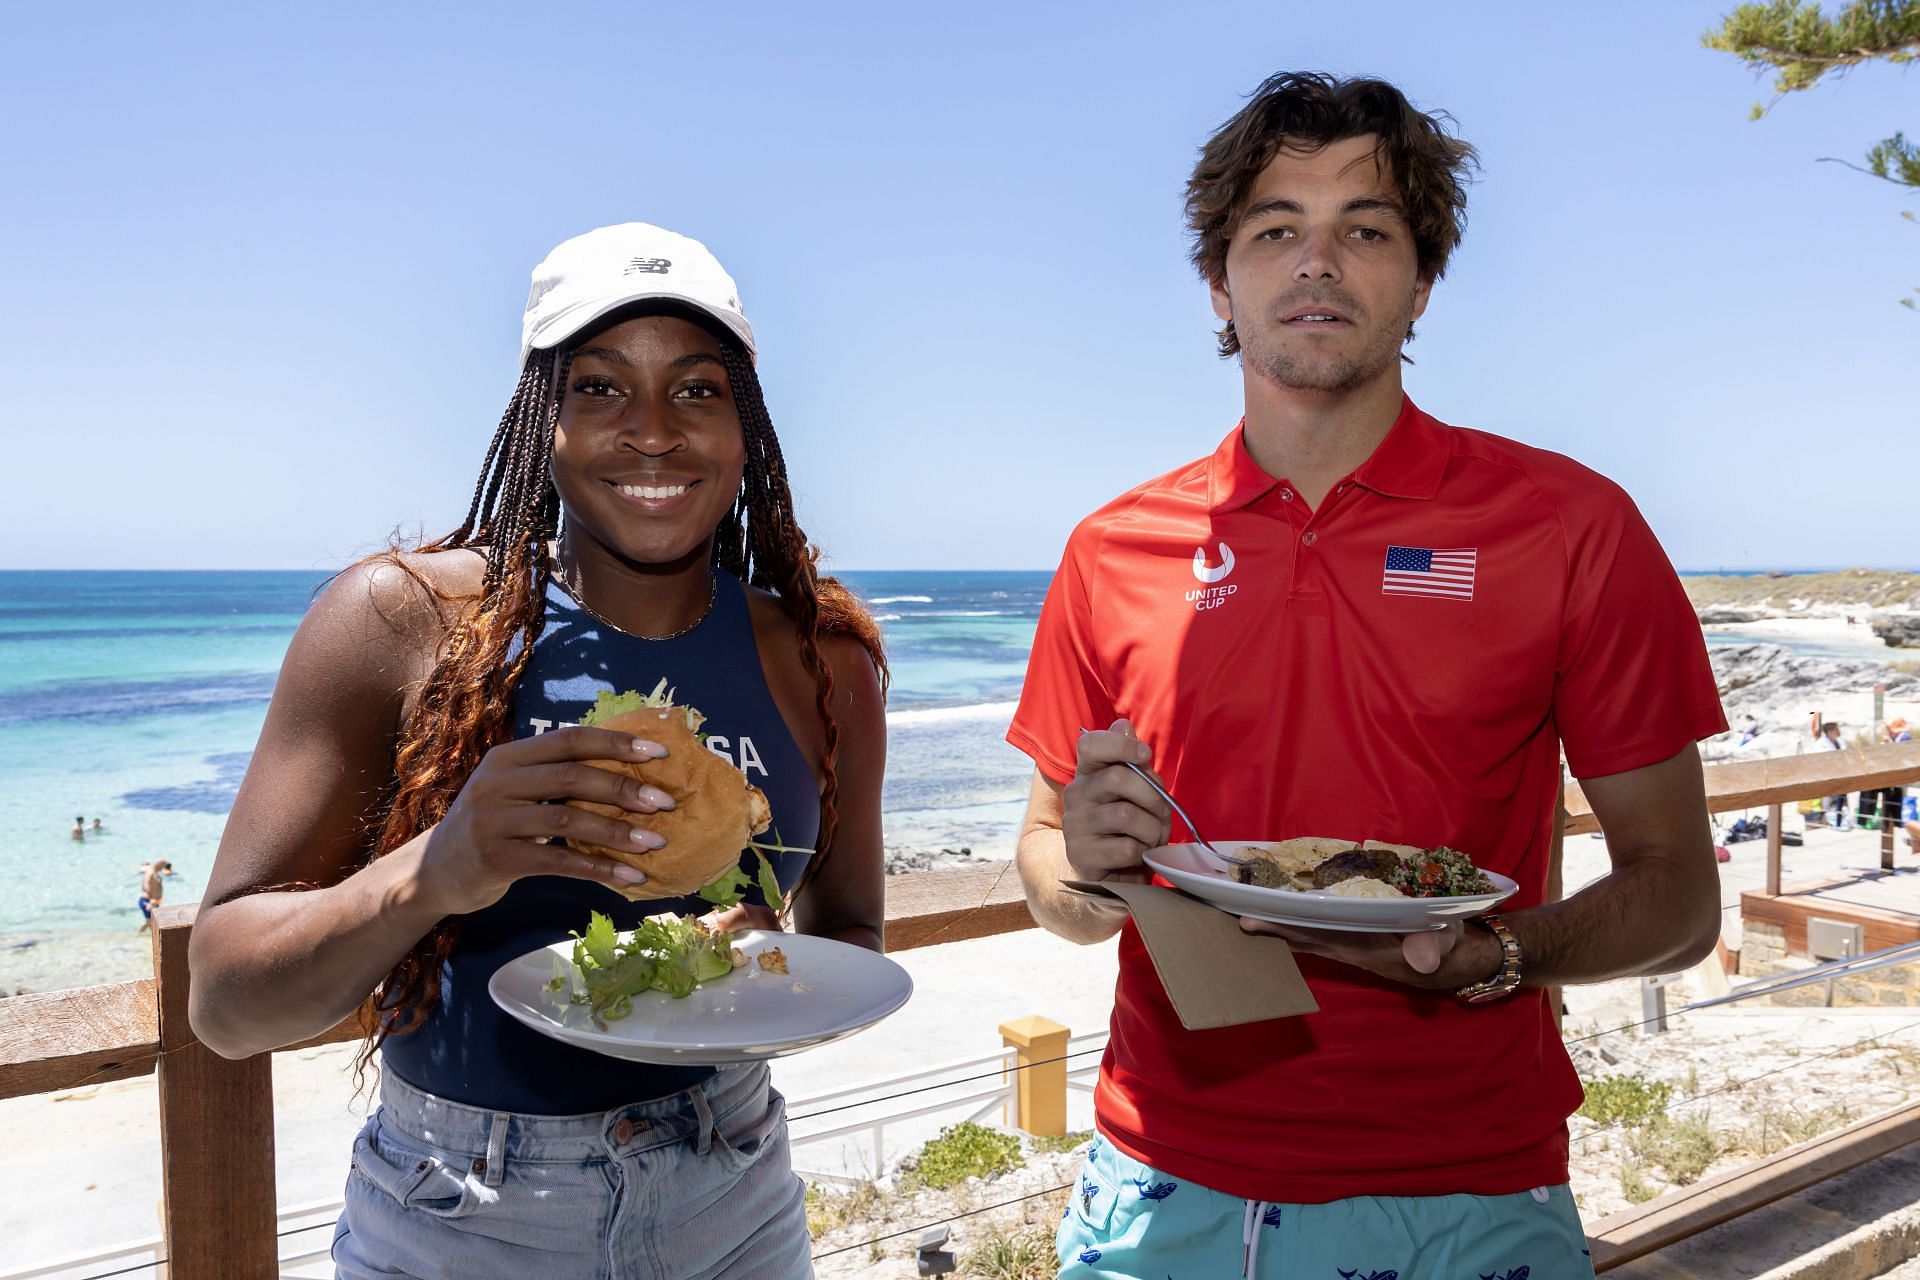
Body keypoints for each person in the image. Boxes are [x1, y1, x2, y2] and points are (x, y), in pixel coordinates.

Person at [1007, 73, 1724, 1278]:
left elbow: (1679, 898)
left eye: (1366, 230)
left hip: (1466, 1189)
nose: (1318, 262)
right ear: (1219, 283)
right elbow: (1050, 876)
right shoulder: (1110, 546)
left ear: (1423, 280)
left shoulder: (1570, 524)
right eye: (1275, 228)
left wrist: (1498, 956)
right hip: (1155, 1183)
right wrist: (1087, 860)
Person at [186, 223, 888, 1279]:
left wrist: (759, 958)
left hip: (733, 1189)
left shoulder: (823, 659)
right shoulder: (404, 622)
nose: (652, 432)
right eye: (600, 387)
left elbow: (853, 934)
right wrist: (439, 867)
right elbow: (227, 1005)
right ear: (541, 418)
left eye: (698, 389)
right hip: (462, 1207)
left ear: (747, 425)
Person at [1818, 719, 1850, 829]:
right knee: (1827, 800)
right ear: (1830, 731)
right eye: (1836, 729)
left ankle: (1839, 821)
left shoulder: (1840, 742)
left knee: (1842, 800)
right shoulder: (1821, 745)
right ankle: (1826, 821)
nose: (1838, 731)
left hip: (1841, 775)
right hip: (1827, 776)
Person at [136, 860, 171, 933]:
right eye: (163, 866)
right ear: (159, 865)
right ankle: (153, 941)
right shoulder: (150, 872)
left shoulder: (156, 872)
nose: (163, 868)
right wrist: (151, 900)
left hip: (153, 902)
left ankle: (139, 935)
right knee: (152, 924)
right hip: (147, 901)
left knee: (149, 922)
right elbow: (146, 885)